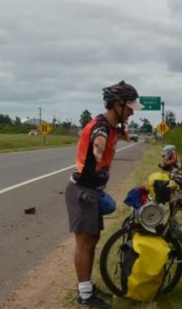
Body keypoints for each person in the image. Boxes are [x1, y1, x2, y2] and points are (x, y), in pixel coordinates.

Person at [65, 80, 143, 308]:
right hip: (82, 192)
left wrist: (123, 133)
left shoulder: (110, 126)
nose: (131, 113)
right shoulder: (100, 127)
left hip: (93, 192)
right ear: (117, 105)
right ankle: (85, 295)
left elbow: (111, 132)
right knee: (85, 243)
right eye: (129, 108)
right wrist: (98, 150)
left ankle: (86, 286)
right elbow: (98, 139)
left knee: (93, 239)